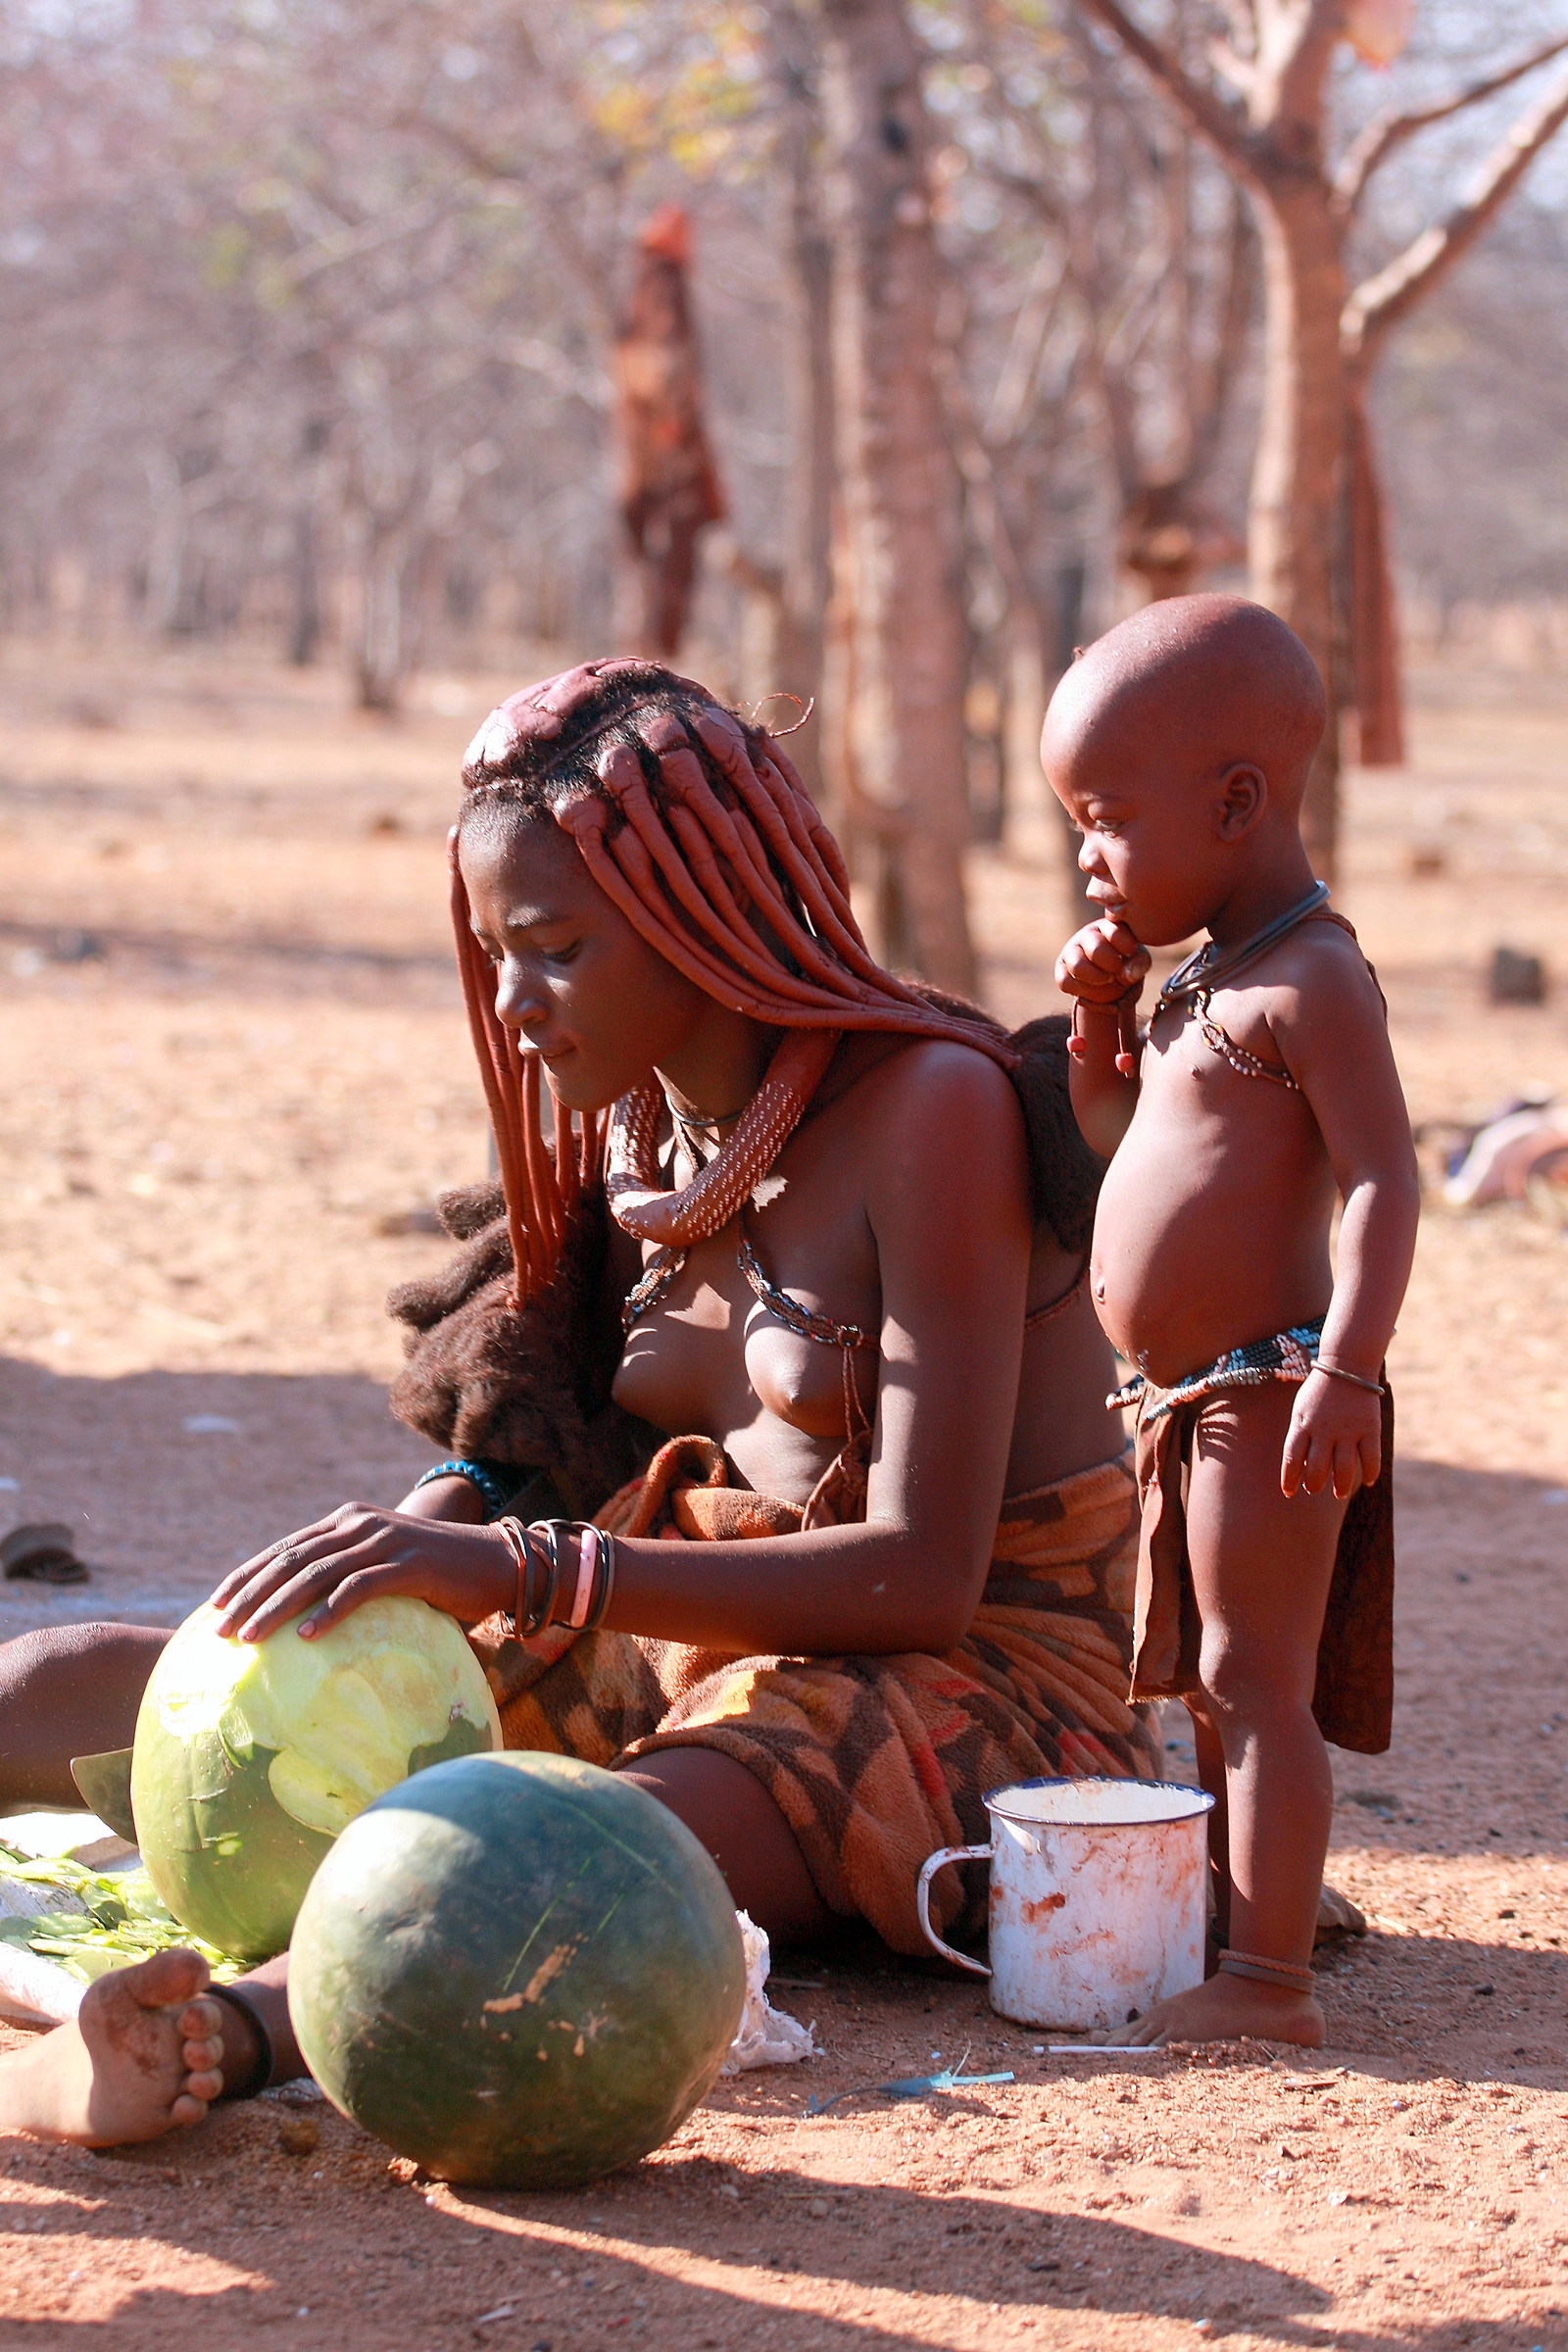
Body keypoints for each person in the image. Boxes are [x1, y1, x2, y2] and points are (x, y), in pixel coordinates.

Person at [0, 656, 1151, 2138]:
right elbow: (546, 1450)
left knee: (580, 1843)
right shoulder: (633, 1129)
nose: (515, 1001)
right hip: (655, 1630)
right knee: (79, 1679)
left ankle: (219, 2034)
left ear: (695, 916)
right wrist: (429, 1542)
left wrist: (515, 1569)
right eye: (495, 955)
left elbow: (926, 1580)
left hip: (952, 1694)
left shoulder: (936, 1110)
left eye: (552, 949)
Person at [1048, 594, 1419, 2048]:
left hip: (1274, 1389)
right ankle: (1236, 1921)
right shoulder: (1205, 980)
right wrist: (1097, 1027)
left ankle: (1268, 1980)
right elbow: (1114, 1141)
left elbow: (1388, 1182)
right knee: (1210, 1679)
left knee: (1254, 1678)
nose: (1088, 853)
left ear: (1239, 800)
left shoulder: (1315, 980)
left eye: (1105, 817)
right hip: (1189, 1394)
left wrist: (1350, 1370)